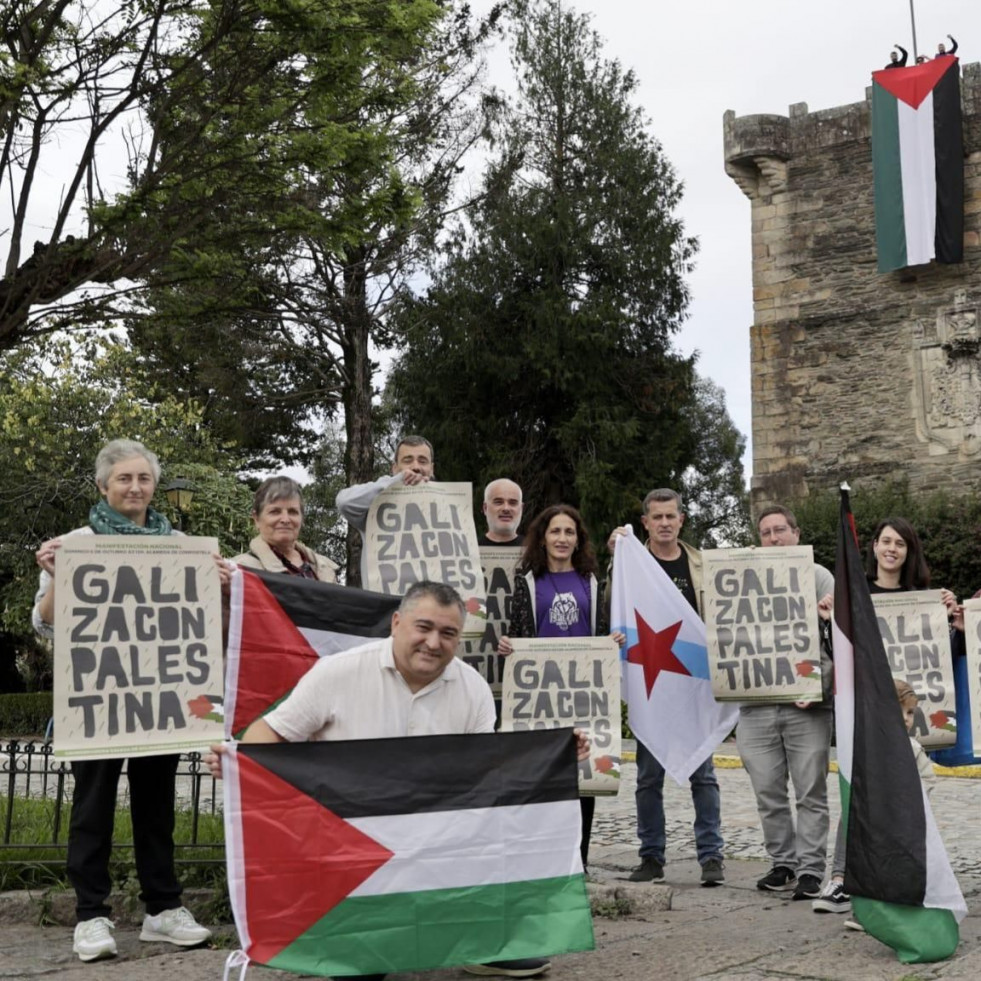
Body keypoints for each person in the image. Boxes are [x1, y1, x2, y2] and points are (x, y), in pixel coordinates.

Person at [208, 581, 581, 980]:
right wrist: (242, 764)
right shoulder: (338, 672)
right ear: (397, 623)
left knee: (490, 836)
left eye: (448, 633)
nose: (433, 642)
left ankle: (485, 938)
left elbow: (487, 779)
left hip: (437, 835)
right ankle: (350, 941)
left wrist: (555, 758)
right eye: (423, 627)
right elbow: (269, 736)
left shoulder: (472, 687)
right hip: (348, 840)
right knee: (361, 970)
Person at [32, 439, 218, 963]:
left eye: (143, 479)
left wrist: (220, 585)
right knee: (92, 809)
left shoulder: (182, 543)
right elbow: (44, 623)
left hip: (158, 702)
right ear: (103, 486)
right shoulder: (75, 543)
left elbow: (202, 624)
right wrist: (54, 573)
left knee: (156, 807)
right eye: (124, 479)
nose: (135, 487)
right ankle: (91, 915)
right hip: (101, 701)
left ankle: (163, 910)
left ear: (154, 485)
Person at [814, 516, 955, 914]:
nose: (892, 549)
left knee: (908, 798)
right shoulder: (854, 598)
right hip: (868, 711)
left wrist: (953, 621)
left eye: (901, 544)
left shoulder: (922, 598)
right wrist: (829, 623)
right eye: (886, 541)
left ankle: (909, 874)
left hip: (907, 716)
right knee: (858, 791)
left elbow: (943, 656)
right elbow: (837, 655)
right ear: (873, 547)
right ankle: (841, 878)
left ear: (909, 552)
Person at [607, 489, 726, 887]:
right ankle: (651, 856)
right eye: (656, 517)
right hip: (651, 682)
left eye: (670, 516)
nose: (663, 523)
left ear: (681, 519)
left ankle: (711, 857)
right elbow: (614, 609)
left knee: (704, 775)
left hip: (694, 680)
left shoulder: (701, 565)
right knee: (647, 777)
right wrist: (615, 557)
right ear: (645, 522)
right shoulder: (630, 564)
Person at [498, 505, 625, 869]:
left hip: (583, 694)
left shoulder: (591, 582)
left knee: (583, 779)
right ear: (543, 537)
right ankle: (541, 863)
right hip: (542, 695)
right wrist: (508, 646)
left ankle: (579, 862)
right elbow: (518, 634)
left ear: (578, 539)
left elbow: (599, 632)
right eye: (555, 531)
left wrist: (609, 641)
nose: (562, 539)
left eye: (569, 532)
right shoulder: (527, 582)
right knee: (541, 777)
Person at [739, 506, 834, 902]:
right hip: (756, 705)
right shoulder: (742, 578)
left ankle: (811, 870)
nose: (774, 538)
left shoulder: (819, 577)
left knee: (810, 789)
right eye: (766, 532)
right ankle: (783, 863)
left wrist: (818, 684)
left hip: (805, 705)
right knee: (767, 790)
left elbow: (838, 642)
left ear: (797, 534)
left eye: (781, 530)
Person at [839, 679, 936, 932]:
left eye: (910, 712)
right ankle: (864, 913)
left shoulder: (913, 749)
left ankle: (901, 911)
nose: (906, 718)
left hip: (905, 823)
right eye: (899, 710)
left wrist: (912, 800)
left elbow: (927, 778)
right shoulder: (868, 747)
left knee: (900, 870)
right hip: (874, 823)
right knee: (870, 868)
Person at [336, 435, 434, 583]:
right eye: (407, 460)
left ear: (431, 469)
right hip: (387, 604)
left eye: (422, 461)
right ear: (395, 469)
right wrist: (396, 482)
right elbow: (344, 502)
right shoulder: (374, 507)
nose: (416, 467)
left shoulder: (449, 510)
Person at [232, 475, 338, 581]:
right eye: (275, 512)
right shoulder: (237, 571)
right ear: (256, 519)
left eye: (293, 512)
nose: (285, 519)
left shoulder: (325, 569)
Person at [479, 478, 524, 546]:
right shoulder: (469, 551)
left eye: (512, 503)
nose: (506, 508)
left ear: (521, 508)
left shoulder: (535, 550)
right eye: (498, 502)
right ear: (485, 508)